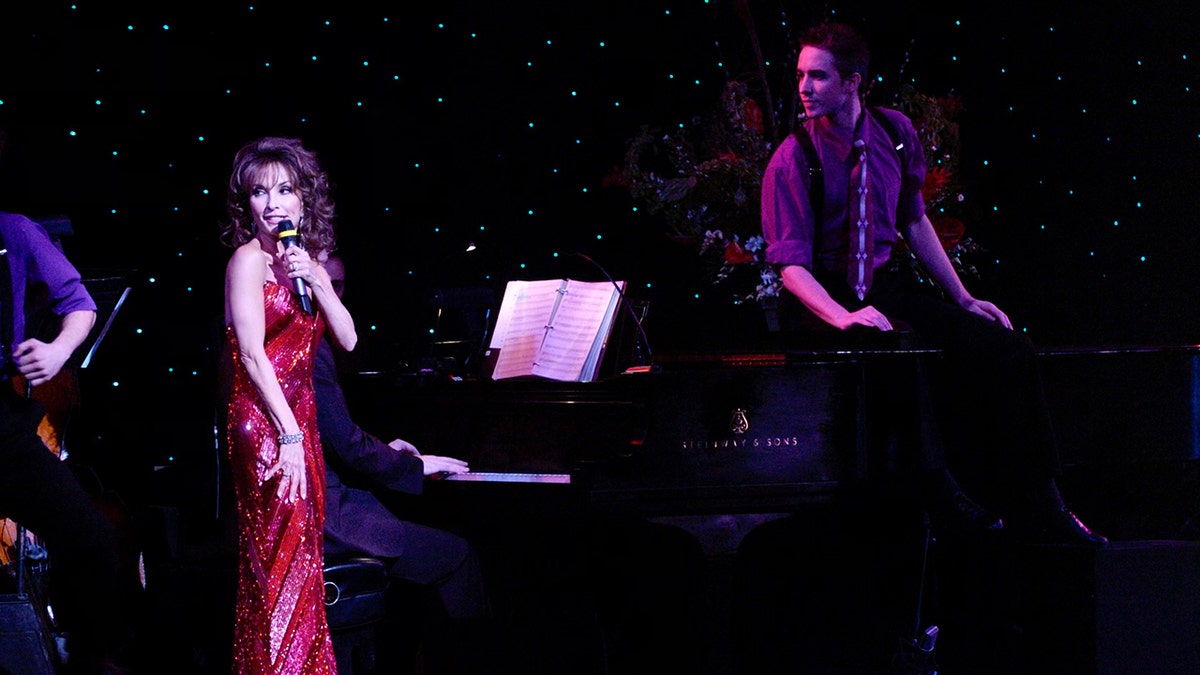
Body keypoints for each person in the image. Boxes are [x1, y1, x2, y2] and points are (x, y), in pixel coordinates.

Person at [760, 22, 1105, 547]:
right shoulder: (792, 157)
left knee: (1006, 348)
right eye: (801, 75)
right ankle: (940, 495)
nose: (804, 87)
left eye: (818, 76)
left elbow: (914, 220)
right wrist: (842, 315)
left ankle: (1040, 499)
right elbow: (791, 265)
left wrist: (962, 297)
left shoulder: (894, 133)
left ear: (853, 83)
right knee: (898, 350)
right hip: (820, 298)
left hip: (881, 285)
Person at [220, 136, 357, 674]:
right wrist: (289, 435)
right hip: (265, 426)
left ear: (304, 199)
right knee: (277, 573)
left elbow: (347, 339)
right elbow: (252, 356)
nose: (272, 202)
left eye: (284, 189)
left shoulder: (309, 264)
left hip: (302, 425)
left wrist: (316, 278)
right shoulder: (246, 261)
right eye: (259, 192)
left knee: (304, 564)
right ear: (246, 204)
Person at [314, 252, 488, 672]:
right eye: (326, 284)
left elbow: (329, 437)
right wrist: (410, 464)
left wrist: (384, 450)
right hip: (326, 518)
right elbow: (346, 444)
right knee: (457, 555)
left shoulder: (261, 332)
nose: (334, 295)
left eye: (340, 286)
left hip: (313, 502)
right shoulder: (309, 345)